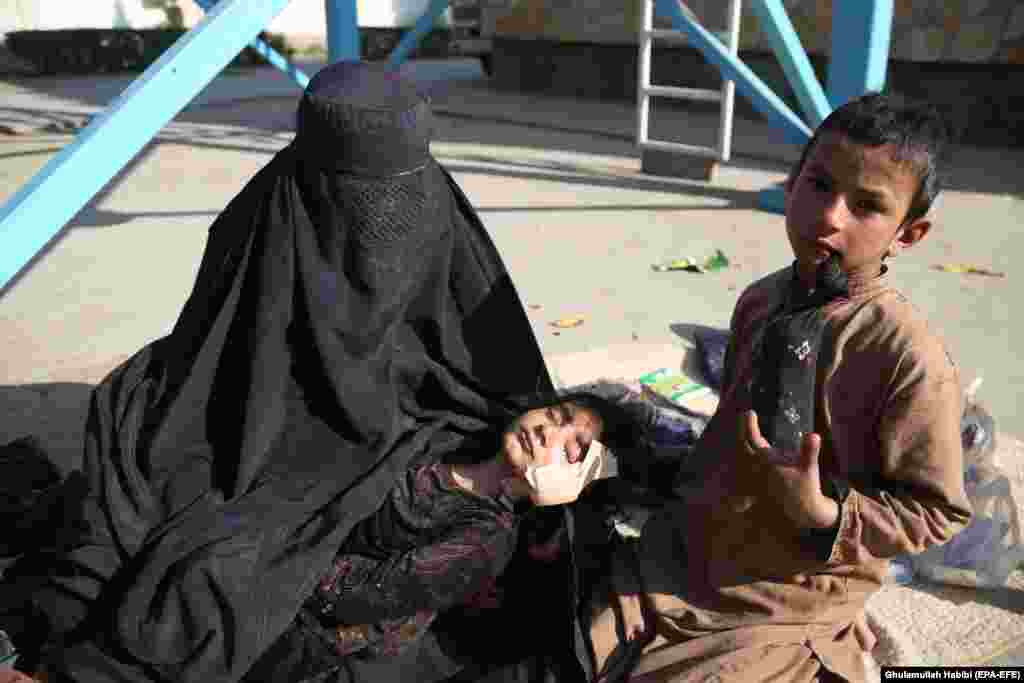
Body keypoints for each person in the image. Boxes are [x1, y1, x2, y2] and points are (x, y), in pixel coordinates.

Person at [1, 61, 564, 683]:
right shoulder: (154, 404)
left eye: (400, 202)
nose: (379, 239)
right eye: (357, 205)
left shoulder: (469, 398)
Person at [587, 92, 974, 682]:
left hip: (785, 594)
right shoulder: (762, 300)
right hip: (687, 551)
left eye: (867, 205)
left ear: (908, 233)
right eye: (819, 185)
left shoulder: (906, 356)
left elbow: (936, 511)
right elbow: (729, 429)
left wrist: (825, 513)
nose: (830, 217)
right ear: (792, 182)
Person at [245, 391, 645, 681]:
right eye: (556, 415)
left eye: (572, 446)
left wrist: (283, 548)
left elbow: (353, 595)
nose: (546, 432)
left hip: (288, 619)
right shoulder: (453, 428)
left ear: (572, 485)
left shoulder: (485, 541)